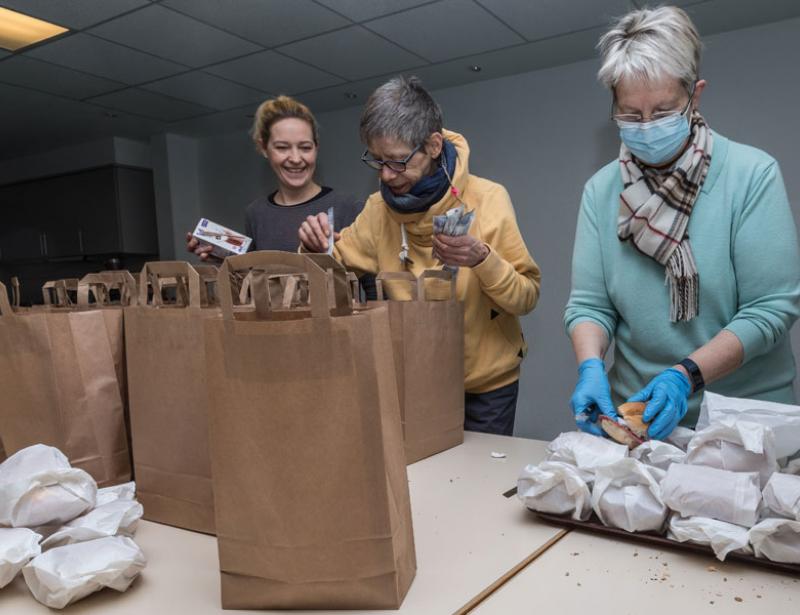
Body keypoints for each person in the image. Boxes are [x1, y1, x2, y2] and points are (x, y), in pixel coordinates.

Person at [565, 6, 800, 440]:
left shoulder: (751, 174)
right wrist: (591, 367)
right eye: (630, 115)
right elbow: (590, 306)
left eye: (662, 111)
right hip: (637, 415)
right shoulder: (601, 192)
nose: (647, 126)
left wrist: (685, 375)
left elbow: (770, 309)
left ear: (695, 96)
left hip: (746, 421)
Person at [299, 76, 541, 435]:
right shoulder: (377, 210)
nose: (385, 174)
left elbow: (526, 297)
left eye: (397, 162)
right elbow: (327, 272)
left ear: (432, 145)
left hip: (488, 389)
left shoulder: (489, 199)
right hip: (415, 386)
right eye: (377, 160)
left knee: (477, 488)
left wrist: (482, 259)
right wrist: (313, 247)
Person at [186, 96, 375, 297]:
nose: (295, 158)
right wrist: (224, 261)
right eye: (282, 147)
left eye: (305, 147)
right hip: (275, 327)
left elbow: (373, 287)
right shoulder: (256, 214)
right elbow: (256, 288)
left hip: (337, 328)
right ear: (263, 148)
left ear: (316, 148)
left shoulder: (348, 207)